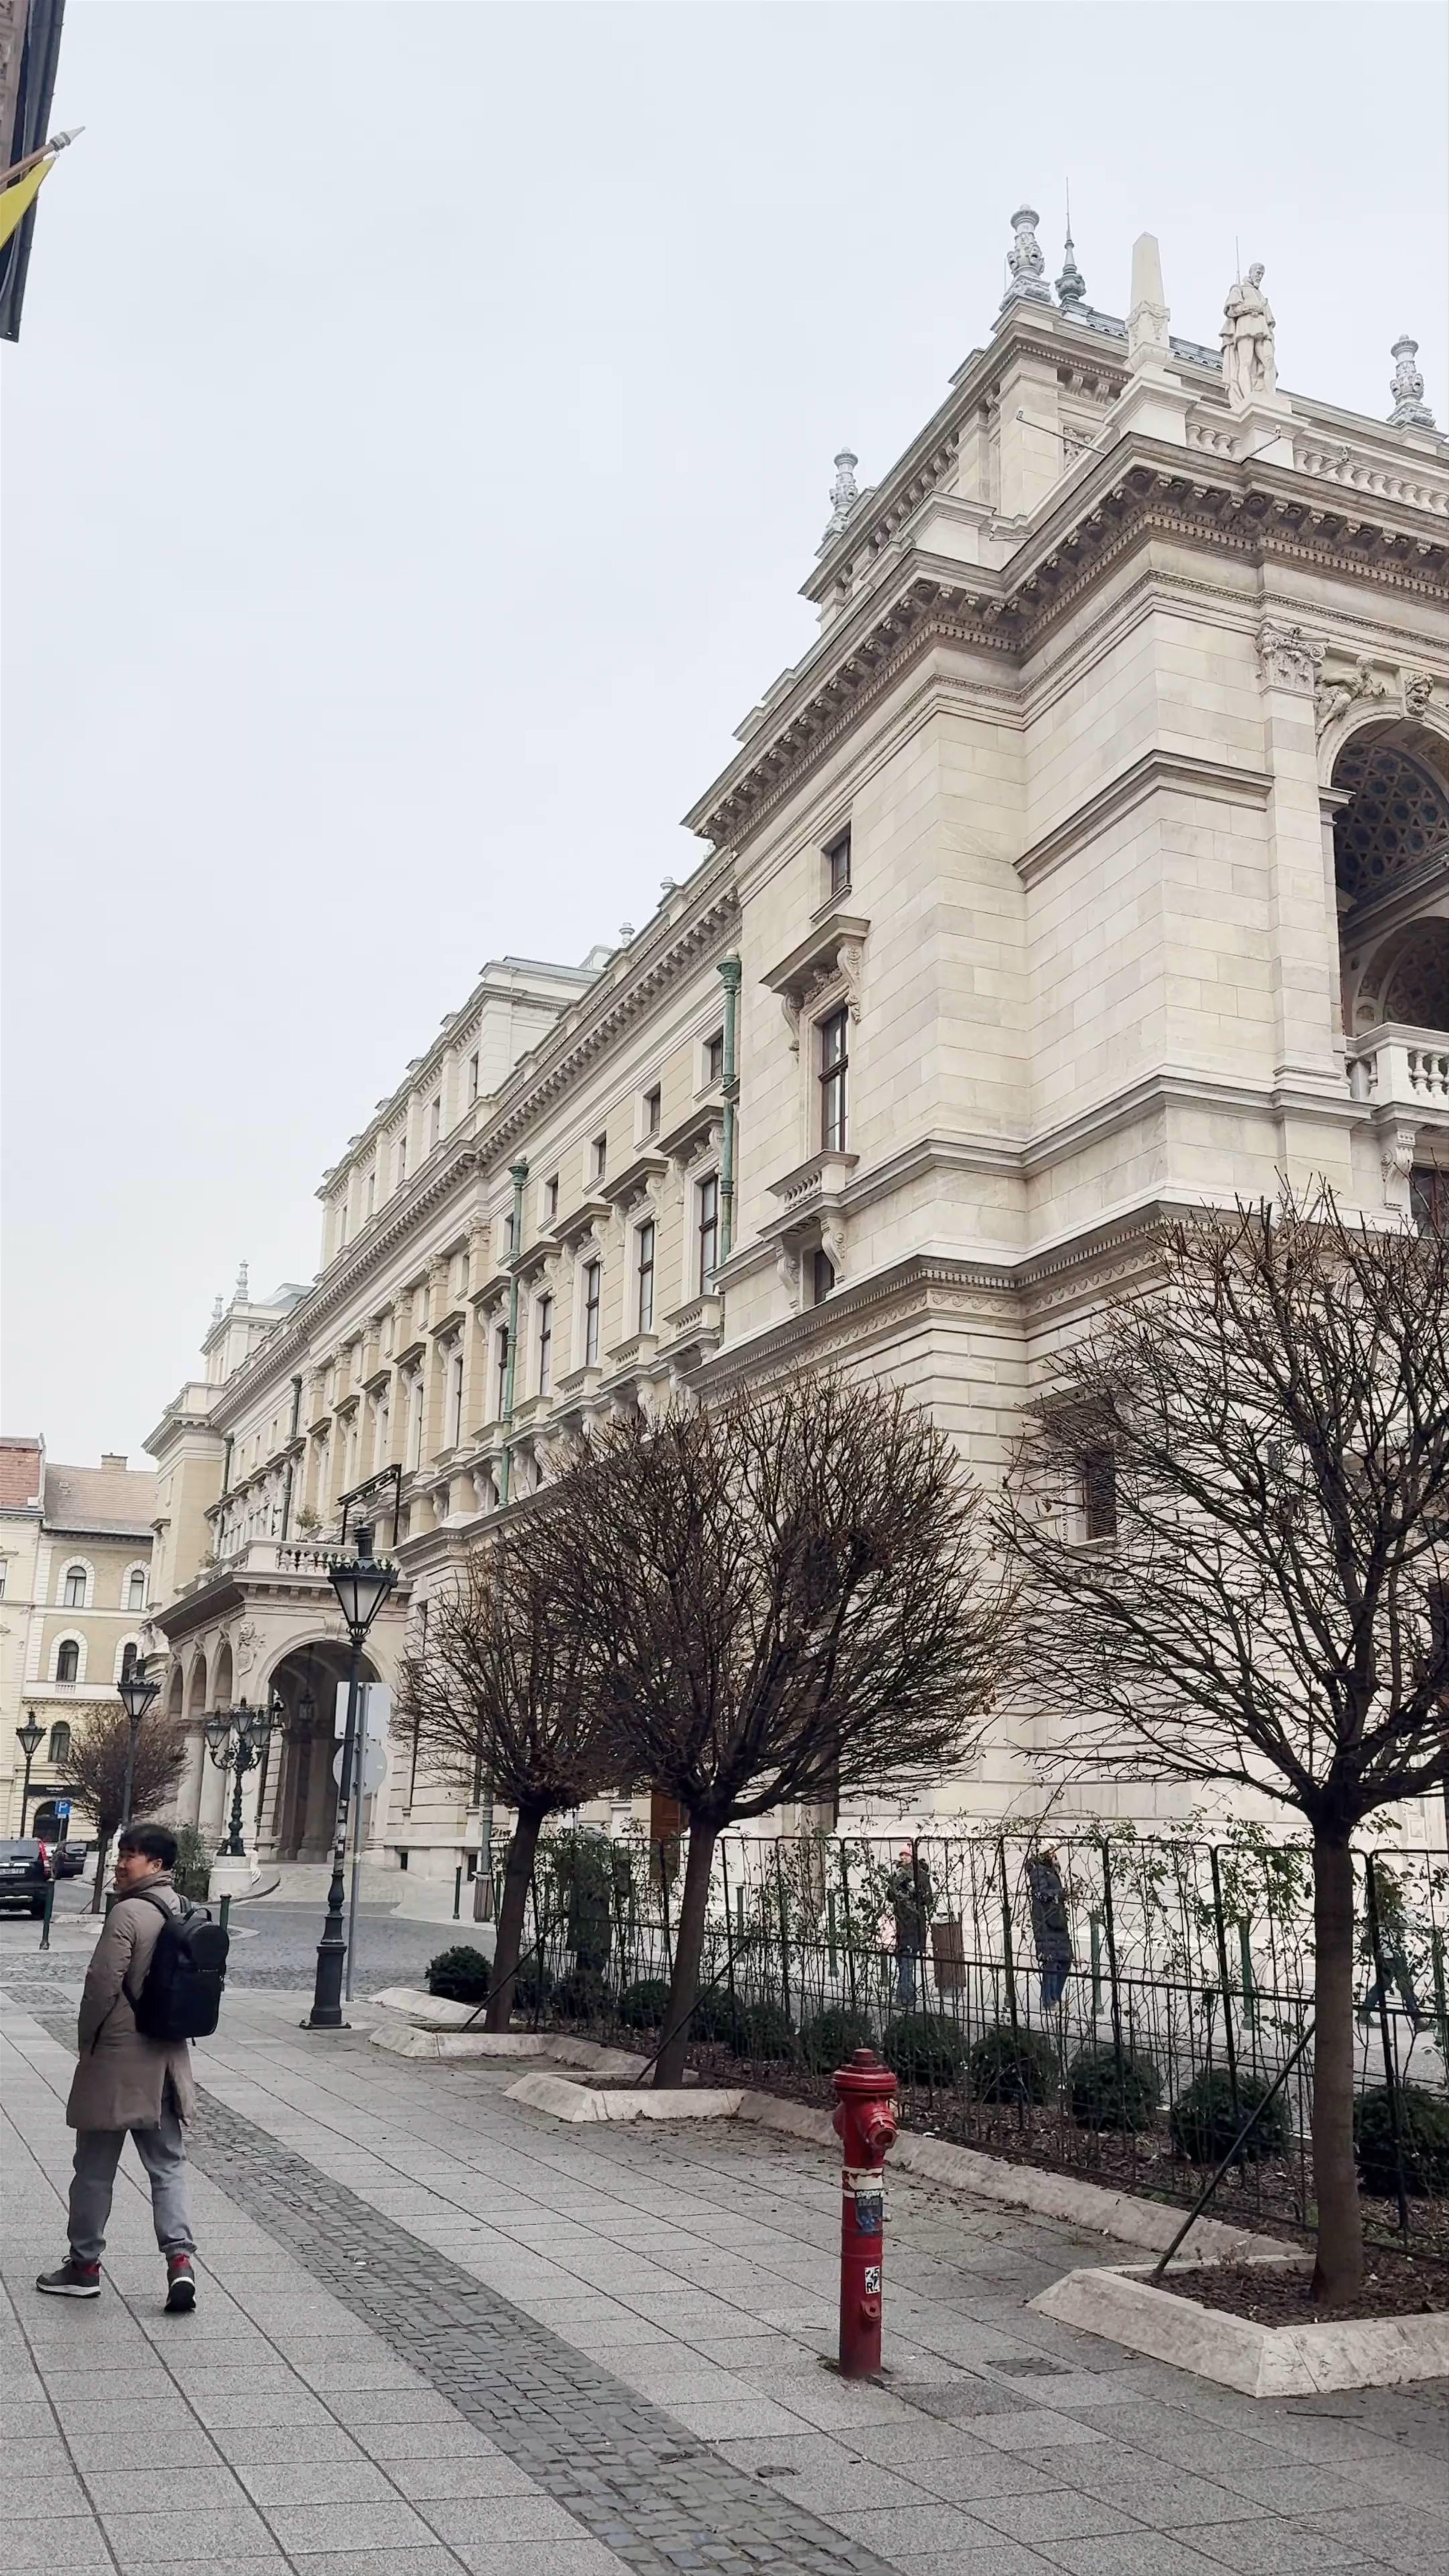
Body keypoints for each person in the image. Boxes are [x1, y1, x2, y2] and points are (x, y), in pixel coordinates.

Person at [36, 1822, 199, 2311]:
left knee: (93, 2168)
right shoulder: (185, 1910)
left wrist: (87, 2043)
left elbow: (102, 1984)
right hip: (168, 2058)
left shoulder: (128, 1911)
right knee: (168, 2165)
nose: (121, 1862)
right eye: (122, 1852)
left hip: (118, 2057)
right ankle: (181, 2264)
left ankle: (83, 2266)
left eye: (132, 1855)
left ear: (156, 1864)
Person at [888, 1844, 934, 2010]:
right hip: (900, 1923)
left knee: (907, 1960)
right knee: (902, 1959)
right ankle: (907, 1995)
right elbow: (891, 1896)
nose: (903, 1858)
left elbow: (928, 1899)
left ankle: (905, 1997)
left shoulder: (920, 1875)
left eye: (906, 1855)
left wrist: (915, 1894)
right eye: (901, 1855)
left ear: (912, 1856)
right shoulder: (898, 1873)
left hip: (914, 1923)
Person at [1025, 1850, 1074, 2009]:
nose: (1055, 1856)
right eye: (1052, 1852)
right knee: (1051, 1962)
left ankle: (1056, 1997)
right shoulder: (1038, 1870)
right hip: (1046, 1922)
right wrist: (1061, 1894)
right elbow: (1041, 1893)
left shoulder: (1050, 1870)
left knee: (1065, 1960)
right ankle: (1050, 2000)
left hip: (1057, 1920)